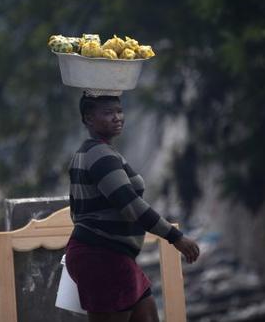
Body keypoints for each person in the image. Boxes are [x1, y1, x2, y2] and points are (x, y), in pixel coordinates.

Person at [64, 93, 200, 322]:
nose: (117, 117)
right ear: (88, 118)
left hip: (112, 255)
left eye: (119, 111)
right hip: (101, 257)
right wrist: (175, 236)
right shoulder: (99, 154)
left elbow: (77, 211)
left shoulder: (90, 153)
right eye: (108, 113)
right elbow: (130, 205)